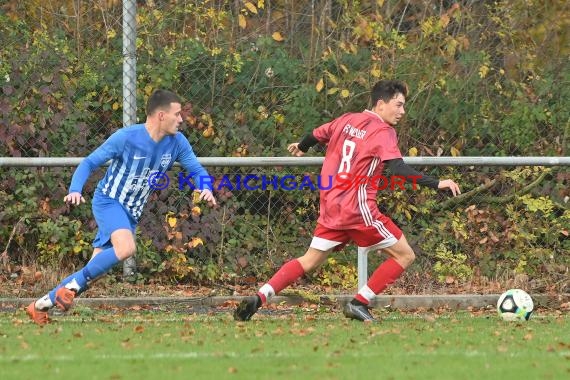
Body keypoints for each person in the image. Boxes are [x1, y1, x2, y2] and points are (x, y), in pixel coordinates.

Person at [234, 80, 460, 322]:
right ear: (381, 104)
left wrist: (302, 146)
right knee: (405, 255)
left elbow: (315, 134)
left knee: (309, 260)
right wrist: (437, 183)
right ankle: (358, 303)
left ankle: (260, 297)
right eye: (398, 105)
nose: (402, 111)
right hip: (358, 210)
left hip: (331, 207)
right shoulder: (383, 131)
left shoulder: (346, 119)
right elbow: (398, 169)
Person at [26, 89, 217, 325]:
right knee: (126, 248)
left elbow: (197, 170)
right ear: (160, 115)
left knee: (94, 271)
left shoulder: (177, 142)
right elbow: (90, 162)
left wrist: (205, 187)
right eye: (177, 114)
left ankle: (41, 305)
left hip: (132, 211)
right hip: (109, 201)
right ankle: (70, 287)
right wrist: (75, 189)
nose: (181, 119)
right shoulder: (126, 137)